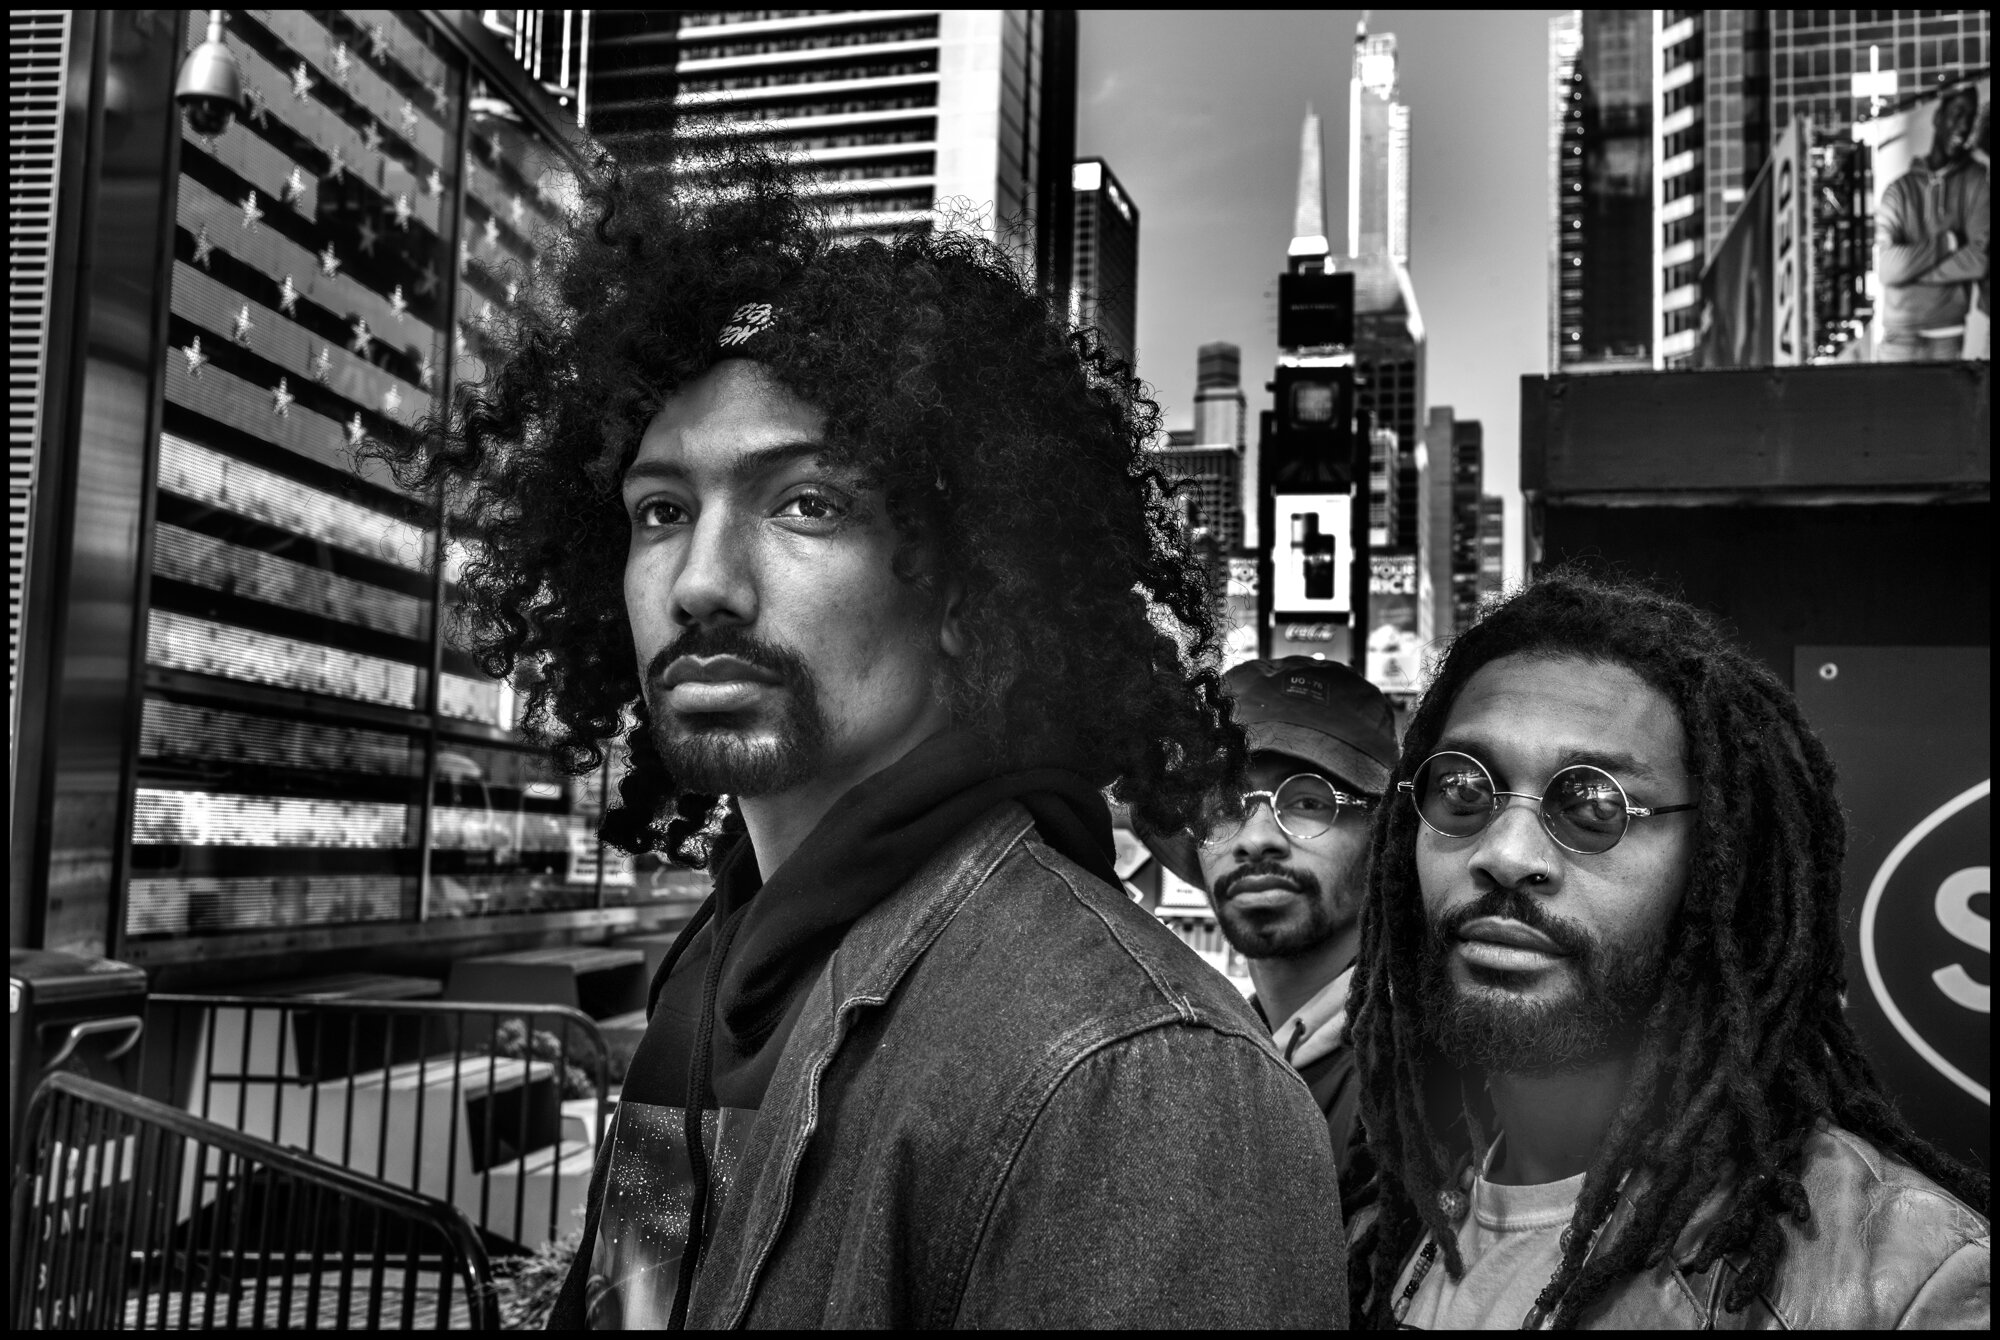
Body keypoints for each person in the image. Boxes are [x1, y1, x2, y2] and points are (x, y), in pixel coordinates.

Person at [372, 139, 1345, 1328]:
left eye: (805, 504)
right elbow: (634, 1303)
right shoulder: (707, 977)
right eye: (660, 511)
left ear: (964, 586)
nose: (701, 582)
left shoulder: (1142, 1079)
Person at [1343, 571, 1990, 1329]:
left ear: (1716, 867)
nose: (1507, 852)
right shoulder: (1373, 1234)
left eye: (1593, 805)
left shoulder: (1904, 1280)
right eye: (1463, 789)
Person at [1142, 656, 1396, 1164]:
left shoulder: (1402, 1082)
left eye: (1308, 802)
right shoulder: (1232, 1055)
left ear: (1382, 839)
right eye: (1226, 807)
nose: (1256, 840)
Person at [1877, 84, 1989, 362]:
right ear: (1937, 117)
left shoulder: (1976, 180)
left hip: (1947, 334)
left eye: (1970, 117)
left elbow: (1977, 259)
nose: (1963, 126)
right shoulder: (1899, 190)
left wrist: (1913, 271)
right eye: (1957, 113)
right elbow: (1888, 269)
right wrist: (1946, 244)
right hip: (1897, 335)